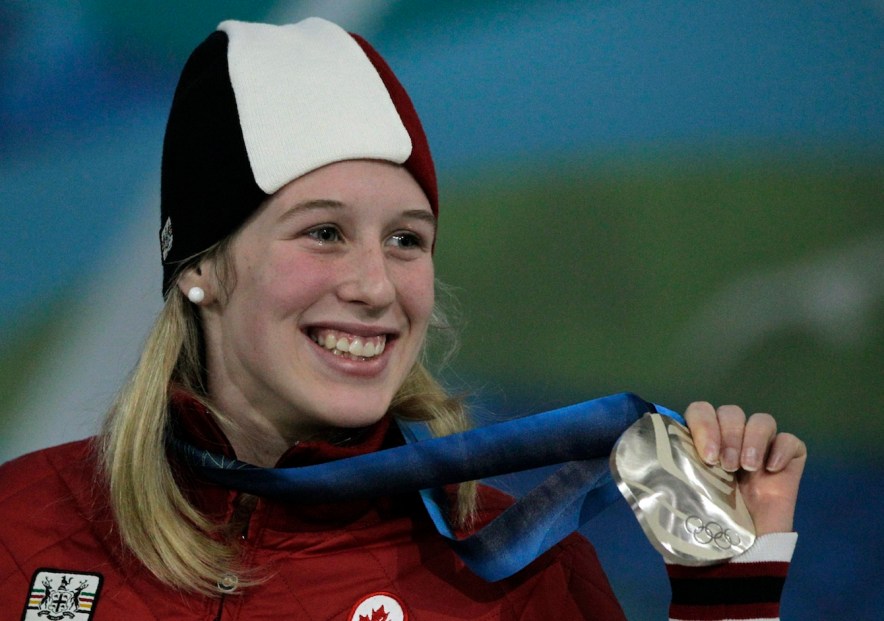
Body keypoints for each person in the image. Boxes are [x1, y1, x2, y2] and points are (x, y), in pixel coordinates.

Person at [0, 17, 806, 621]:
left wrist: (730, 592)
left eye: (405, 240)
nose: (377, 286)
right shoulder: (24, 525)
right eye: (324, 232)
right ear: (203, 268)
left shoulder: (520, 574)